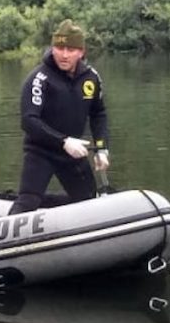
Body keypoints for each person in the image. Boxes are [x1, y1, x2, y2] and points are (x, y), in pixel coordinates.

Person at [9, 19, 110, 214]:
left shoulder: (92, 78)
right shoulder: (39, 78)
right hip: (41, 150)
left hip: (74, 153)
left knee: (89, 203)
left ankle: (48, 206)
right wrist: (63, 141)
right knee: (28, 201)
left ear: (81, 52)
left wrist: (101, 148)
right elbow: (29, 120)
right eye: (59, 48)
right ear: (52, 48)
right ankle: (32, 206)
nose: (64, 55)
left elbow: (99, 113)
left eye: (70, 50)